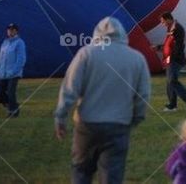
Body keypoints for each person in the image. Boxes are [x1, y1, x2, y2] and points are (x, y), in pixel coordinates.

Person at [53, 17, 151, 184]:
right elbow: (143, 95)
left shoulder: (86, 53)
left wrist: (60, 116)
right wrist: (136, 118)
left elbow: (70, 88)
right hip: (119, 124)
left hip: (87, 123)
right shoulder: (136, 58)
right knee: (112, 175)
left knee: (81, 171)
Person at [159, 12, 186, 113]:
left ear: (168, 19)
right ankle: (172, 105)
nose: (163, 24)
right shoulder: (170, 28)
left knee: (172, 81)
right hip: (170, 59)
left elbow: (179, 46)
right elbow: (168, 45)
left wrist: (172, 58)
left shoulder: (177, 29)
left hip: (175, 59)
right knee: (169, 82)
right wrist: (158, 48)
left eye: (163, 22)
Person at [0, 23, 26, 118]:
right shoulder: (5, 42)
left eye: (13, 29)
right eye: (9, 29)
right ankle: (13, 105)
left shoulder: (19, 42)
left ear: (16, 31)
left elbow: (21, 59)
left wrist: (14, 71)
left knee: (11, 92)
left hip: (13, 73)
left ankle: (13, 112)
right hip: (2, 73)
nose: (10, 31)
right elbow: (0, 58)